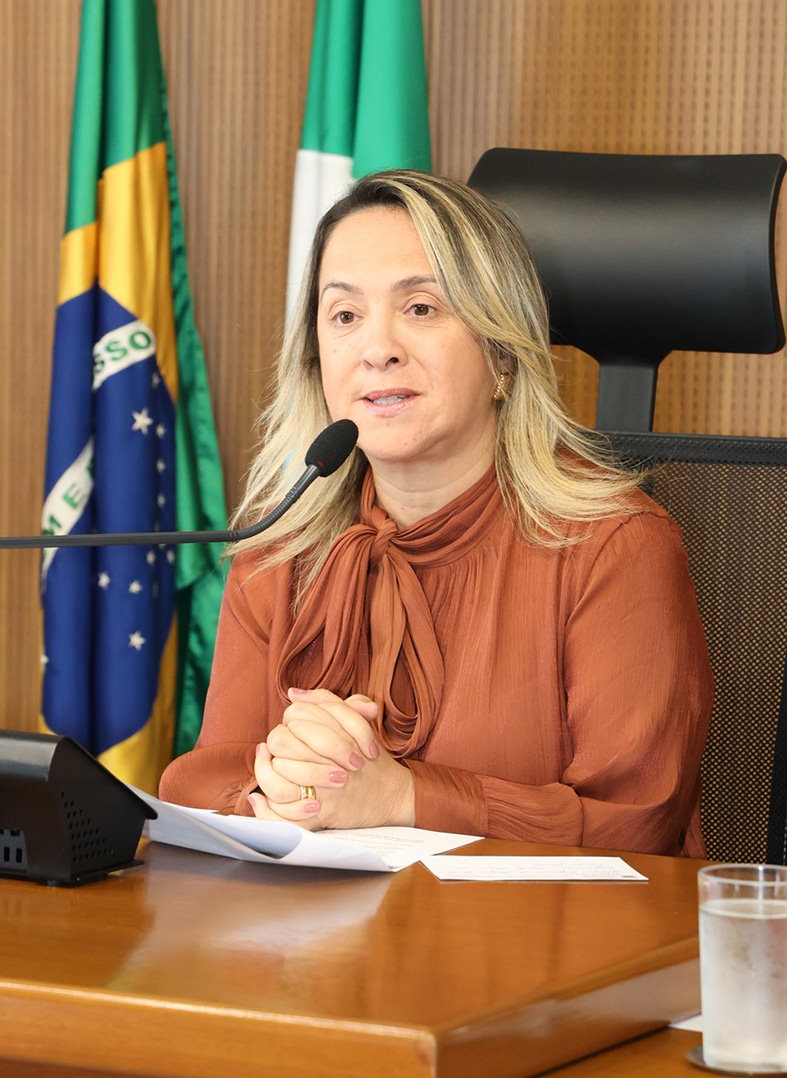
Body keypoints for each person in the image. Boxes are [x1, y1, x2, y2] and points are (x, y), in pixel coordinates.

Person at [159, 170, 713, 856]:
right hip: (317, 926)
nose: (377, 348)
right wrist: (285, 788)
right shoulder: (279, 549)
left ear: (502, 352)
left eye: (421, 308)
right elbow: (204, 780)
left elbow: (636, 824)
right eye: (344, 316)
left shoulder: (615, 544)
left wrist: (401, 797)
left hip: (540, 927)